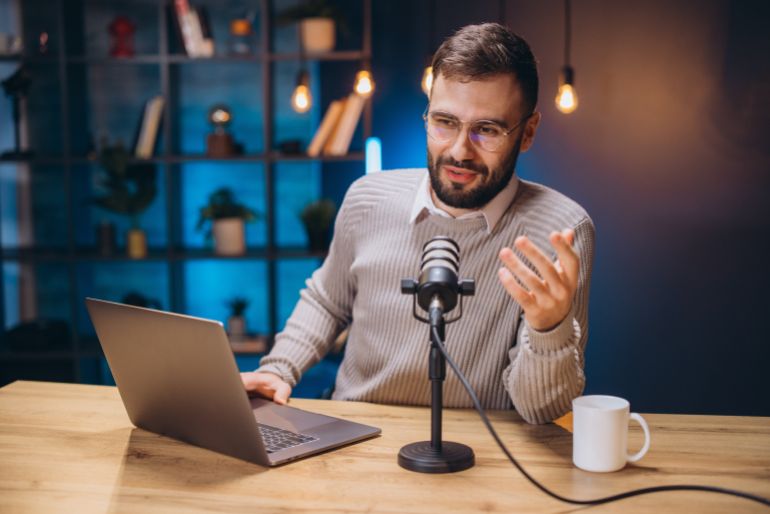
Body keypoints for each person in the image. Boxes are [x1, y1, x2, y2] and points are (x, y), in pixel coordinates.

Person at [241, 23, 595, 424]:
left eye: (487, 130)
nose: (460, 151)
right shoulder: (367, 198)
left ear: (527, 133)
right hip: (355, 434)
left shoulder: (560, 231)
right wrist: (279, 368)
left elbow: (541, 410)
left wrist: (549, 329)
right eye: (445, 122)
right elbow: (327, 300)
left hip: (481, 448)